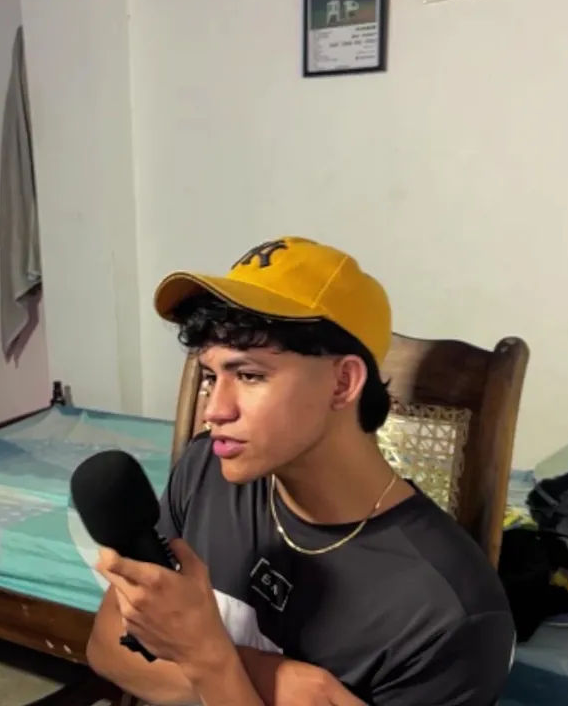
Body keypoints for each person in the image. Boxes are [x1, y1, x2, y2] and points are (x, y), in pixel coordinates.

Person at [86, 237, 515, 706]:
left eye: (249, 375)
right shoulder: (206, 469)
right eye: (211, 377)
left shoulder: (448, 616)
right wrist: (264, 674)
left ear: (343, 382)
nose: (214, 411)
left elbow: (160, 654)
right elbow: (108, 646)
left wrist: (208, 659)